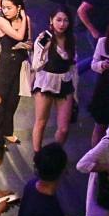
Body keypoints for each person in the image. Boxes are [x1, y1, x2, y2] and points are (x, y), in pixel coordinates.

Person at [0, 0, 31, 144]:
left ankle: (6, 132)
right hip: (7, 64)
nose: (5, 11)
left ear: (18, 7)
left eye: (9, 8)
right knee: (0, 100)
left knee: (13, 100)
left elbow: (28, 40)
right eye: (3, 7)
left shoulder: (26, 20)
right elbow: (18, 36)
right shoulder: (1, 20)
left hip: (21, 64)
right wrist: (24, 17)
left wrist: (27, 44)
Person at [30, 10, 76, 153]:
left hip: (65, 83)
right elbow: (35, 65)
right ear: (51, 20)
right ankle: (37, 155)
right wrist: (45, 51)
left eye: (65, 20)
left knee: (64, 129)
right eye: (58, 20)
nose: (62, 24)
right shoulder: (44, 37)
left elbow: (73, 66)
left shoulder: (71, 39)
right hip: (46, 82)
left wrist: (76, 92)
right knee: (41, 122)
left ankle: (55, 154)